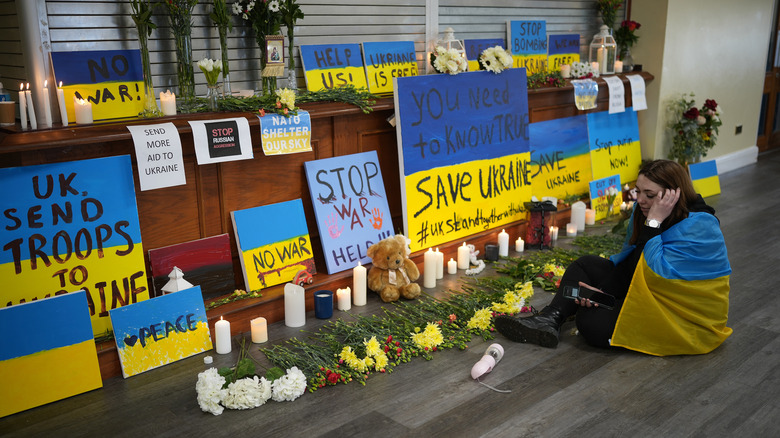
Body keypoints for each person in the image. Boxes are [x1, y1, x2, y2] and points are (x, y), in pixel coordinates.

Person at [495, 159, 732, 355]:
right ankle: (549, 319)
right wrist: (605, 293)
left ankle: (563, 314)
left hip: (676, 311)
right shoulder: (645, 212)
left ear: (672, 195)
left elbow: (657, 276)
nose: (640, 200)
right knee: (585, 265)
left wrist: (654, 223)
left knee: (590, 324)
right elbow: (633, 263)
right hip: (645, 285)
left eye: (649, 194)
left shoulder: (701, 226)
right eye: (638, 191)